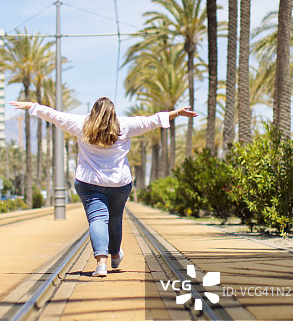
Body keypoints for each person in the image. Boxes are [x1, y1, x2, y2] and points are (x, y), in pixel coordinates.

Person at [10, 97, 198, 277]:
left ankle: (101, 263)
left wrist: (31, 106)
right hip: (119, 184)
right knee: (115, 220)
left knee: (97, 219)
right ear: (113, 113)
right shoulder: (123, 125)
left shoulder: (81, 124)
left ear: (93, 111)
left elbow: (54, 115)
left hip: (89, 183)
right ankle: (115, 255)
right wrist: (177, 113)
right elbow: (151, 121)